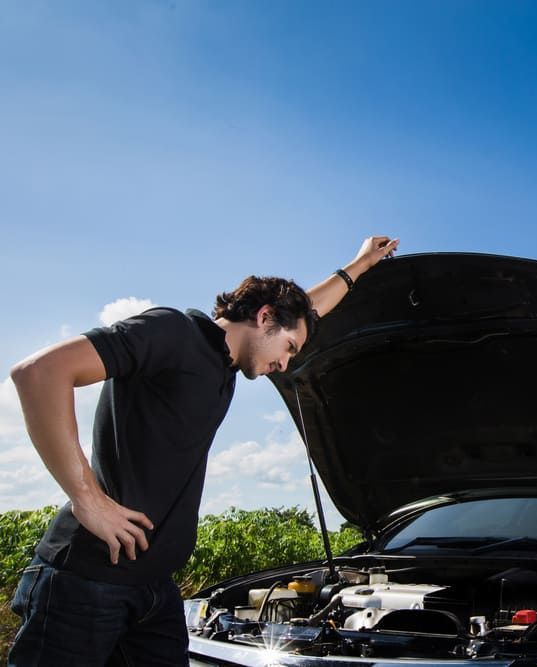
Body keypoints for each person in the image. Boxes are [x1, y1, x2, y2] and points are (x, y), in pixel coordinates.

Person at [7, 235, 399, 666]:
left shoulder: (227, 365)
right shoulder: (173, 332)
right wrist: (88, 499)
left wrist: (359, 265)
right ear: (264, 317)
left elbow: (308, 307)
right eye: (288, 348)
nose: (285, 365)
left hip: (154, 589)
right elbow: (40, 372)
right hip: (87, 581)